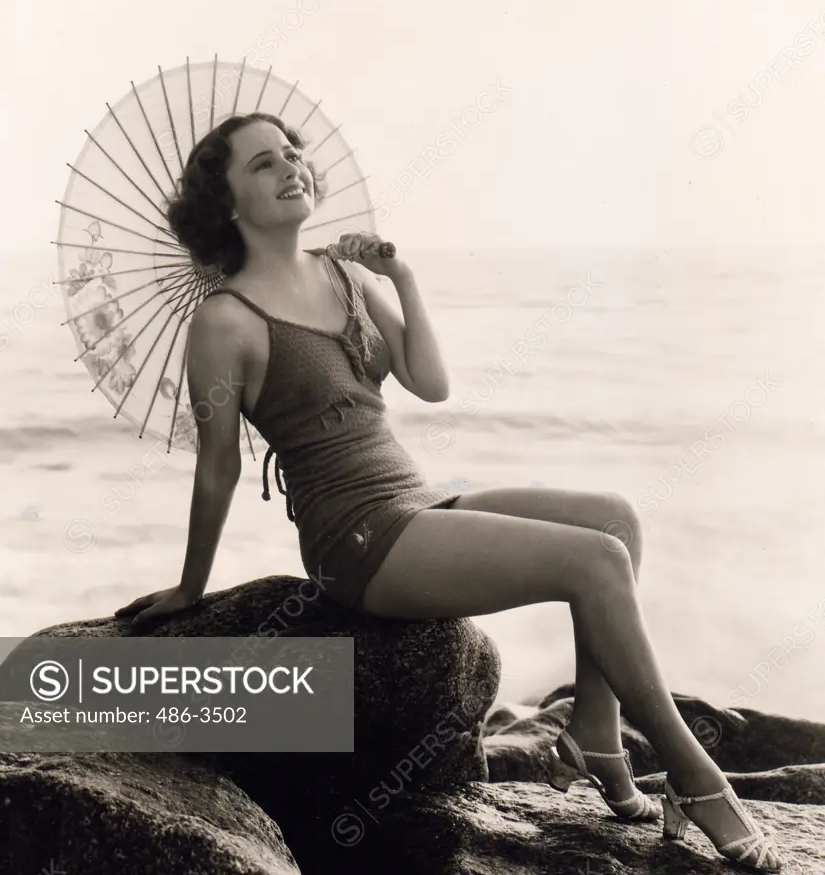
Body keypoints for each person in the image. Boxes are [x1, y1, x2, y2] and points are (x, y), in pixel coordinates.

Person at [115, 112, 781, 872]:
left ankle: (595, 726)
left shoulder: (347, 276)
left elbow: (429, 383)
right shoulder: (224, 320)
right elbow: (219, 465)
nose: (291, 167)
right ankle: (694, 775)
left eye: (293, 153)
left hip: (414, 502)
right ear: (226, 202)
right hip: (356, 537)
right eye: (264, 164)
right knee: (594, 562)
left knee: (616, 521)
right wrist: (191, 588)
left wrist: (400, 277)